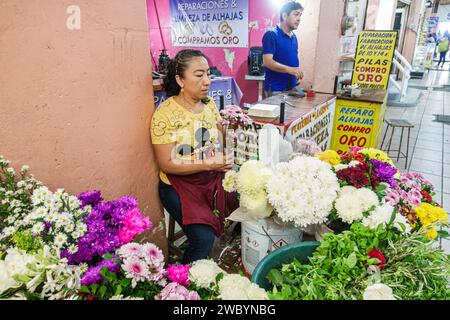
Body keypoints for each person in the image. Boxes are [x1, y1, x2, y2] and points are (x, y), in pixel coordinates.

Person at [151, 49, 236, 264]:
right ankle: (184, 286)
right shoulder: (165, 115)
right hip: (178, 185)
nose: (207, 81)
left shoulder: (209, 105)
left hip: (209, 177)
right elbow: (167, 163)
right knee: (202, 240)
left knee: (243, 204)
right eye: (199, 75)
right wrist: (208, 164)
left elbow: (218, 137)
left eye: (208, 74)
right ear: (180, 79)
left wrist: (229, 137)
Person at [262, 1, 304, 96]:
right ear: (285, 16)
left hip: (292, 87)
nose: (299, 19)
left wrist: (297, 71)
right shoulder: (271, 35)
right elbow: (267, 62)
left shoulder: (294, 37)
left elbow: (290, 60)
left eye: (300, 15)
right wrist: (290, 69)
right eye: (296, 14)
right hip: (276, 89)